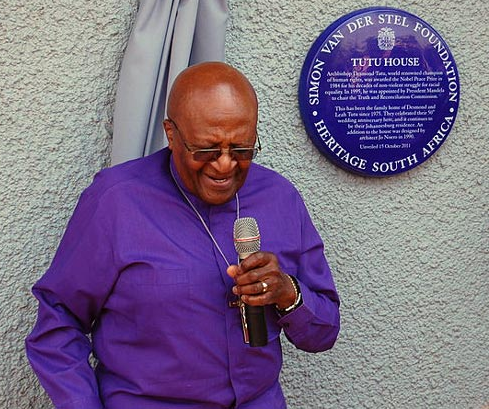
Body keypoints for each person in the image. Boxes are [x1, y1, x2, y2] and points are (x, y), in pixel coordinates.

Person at [26, 61, 340, 409]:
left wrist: (286, 292)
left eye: (241, 149)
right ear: (171, 134)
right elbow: (58, 320)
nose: (224, 164)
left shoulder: (280, 198)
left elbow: (324, 332)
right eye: (206, 150)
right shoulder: (116, 201)